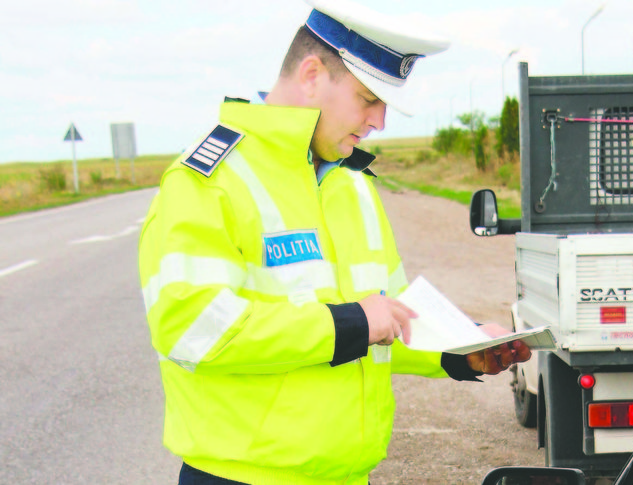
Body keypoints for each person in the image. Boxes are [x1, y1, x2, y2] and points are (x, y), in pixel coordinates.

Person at [137, 1, 531, 484]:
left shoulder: (354, 186)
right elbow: (190, 327)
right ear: (311, 75)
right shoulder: (207, 182)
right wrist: (351, 322)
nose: (380, 121)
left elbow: (389, 320)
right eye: (368, 98)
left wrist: (460, 347)